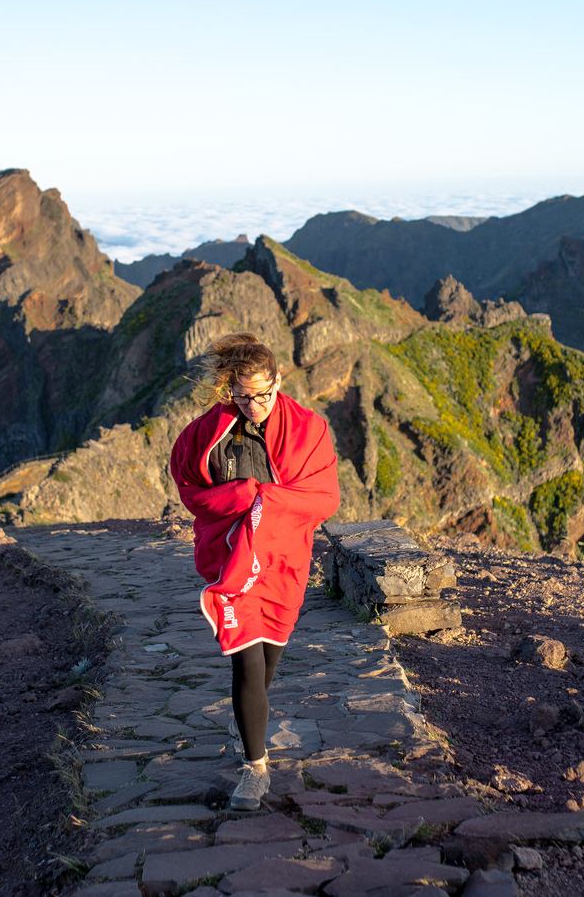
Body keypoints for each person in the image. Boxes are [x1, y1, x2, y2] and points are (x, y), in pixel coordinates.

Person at [168, 333, 341, 810]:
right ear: (230, 390)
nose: (254, 405)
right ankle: (255, 769)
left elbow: (325, 497)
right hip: (234, 561)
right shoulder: (210, 434)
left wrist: (265, 500)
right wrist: (242, 498)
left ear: (278, 382)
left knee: (268, 661)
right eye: (243, 396)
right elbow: (189, 486)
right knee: (245, 656)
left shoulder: (308, 429)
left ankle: (249, 718)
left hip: (286, 561)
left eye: (263, 394)